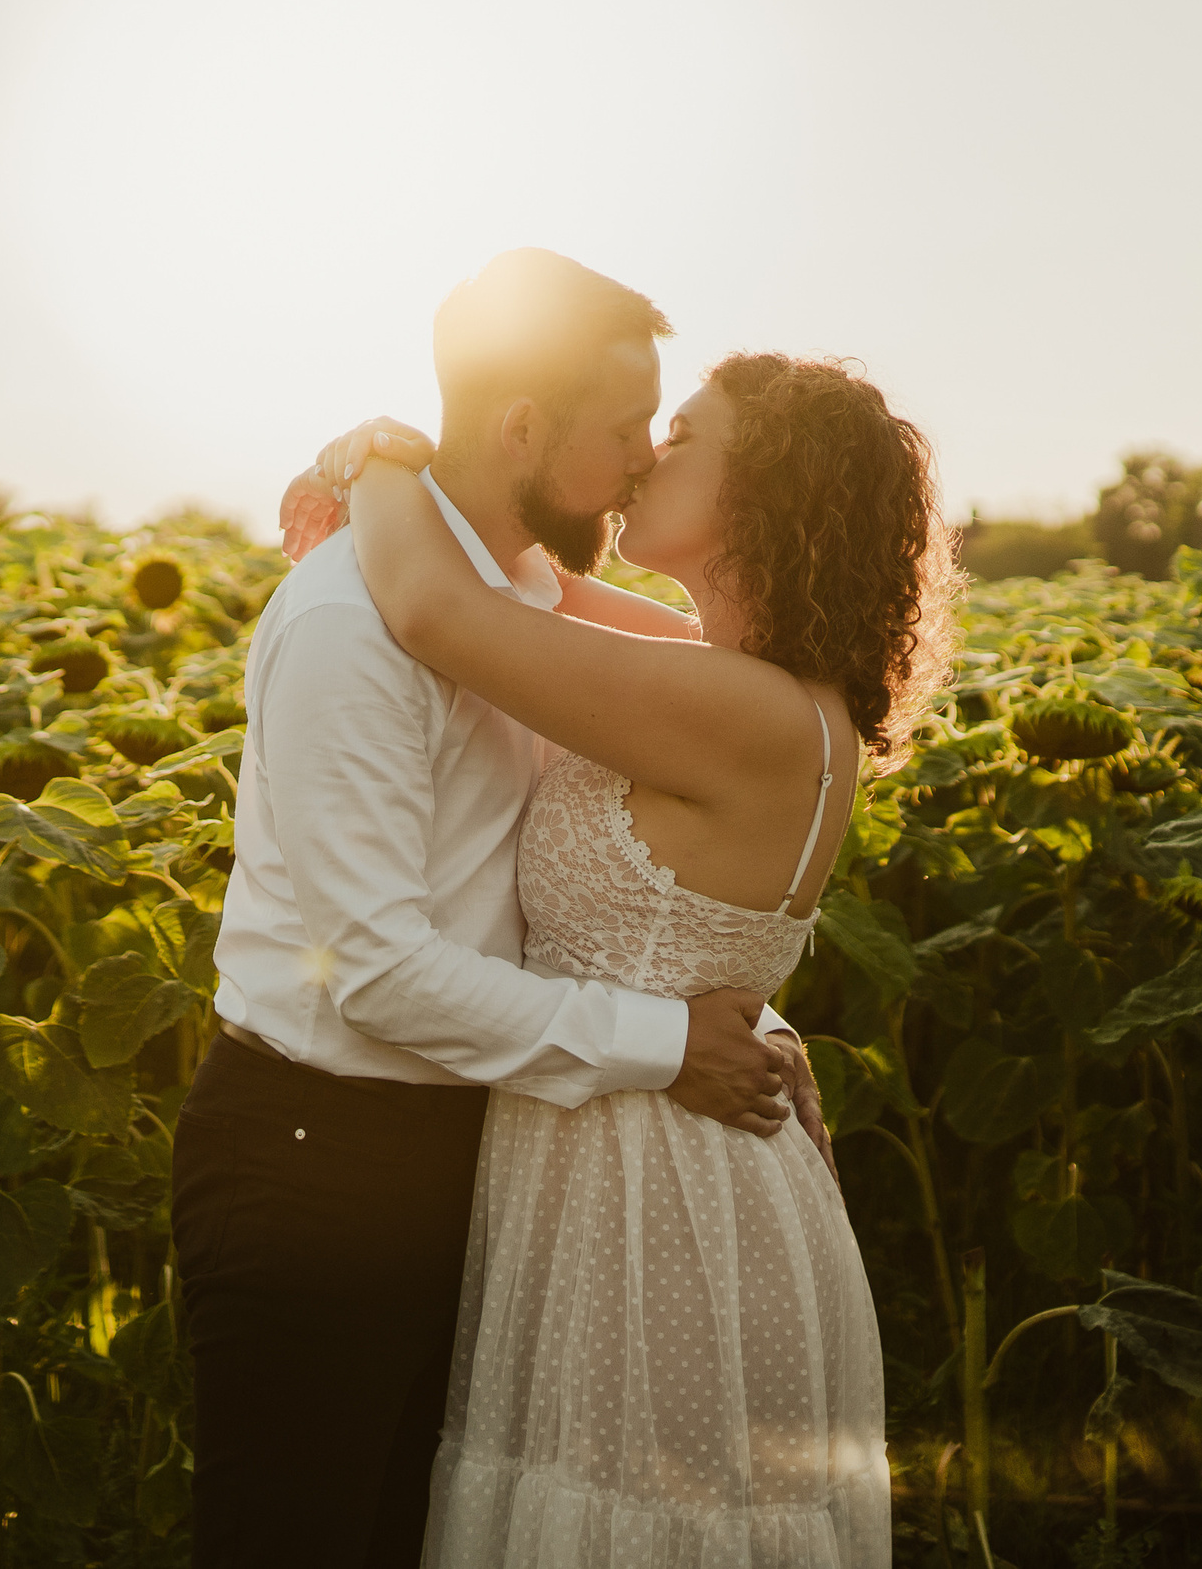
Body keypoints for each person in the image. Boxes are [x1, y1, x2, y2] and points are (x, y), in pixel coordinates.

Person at [172, 249, 823, 1569]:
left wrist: (742, 1000)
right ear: (522, 426)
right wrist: (669, 1041)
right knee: (301, 1535)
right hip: (317, 1150)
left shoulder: (515, 601)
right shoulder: (356, 618)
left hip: (474, 1146)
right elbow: (382, 973)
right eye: (623, 426)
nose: (642, 459)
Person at [293, 341, 956, 1567]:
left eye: (685, 434)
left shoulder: (743, 710)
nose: (650, 454)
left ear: (766, 493)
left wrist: (377, 461)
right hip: (629, 1157)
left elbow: (442, 611)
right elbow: (523, 590)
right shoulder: (734, 681)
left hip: (656, 1199)